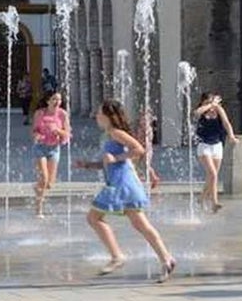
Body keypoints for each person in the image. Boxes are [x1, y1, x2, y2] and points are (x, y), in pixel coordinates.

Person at [75, 99, 177, 281]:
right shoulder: (108, 134)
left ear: (108, 116)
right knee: (140, 224)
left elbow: (139, 149)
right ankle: (166, 259)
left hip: (122, 183)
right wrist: (88, 165)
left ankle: (117, 256)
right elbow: (109, 162)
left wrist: (116, 157)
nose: (96, 116)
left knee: (94, 217)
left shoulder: (116, 132)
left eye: (99, 112)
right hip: (121, 182)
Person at [193, 92, 237, 213]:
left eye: (211, 102)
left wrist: (231, 136)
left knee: (212, 177)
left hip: (217, 146)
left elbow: (226, 123)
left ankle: (201, 199)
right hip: (204, 146)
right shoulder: (201, 111)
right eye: (206, 102)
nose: (211, 105)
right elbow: (196, 113)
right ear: (202, 102)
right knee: (212, 174)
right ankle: (214, 202)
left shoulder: (219, 110)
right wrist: (211, 104)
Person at [31, 92, 71, 218]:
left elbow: (67, 134)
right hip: (40, 148)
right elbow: (34, 130)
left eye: (59, 100)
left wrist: (58, 131)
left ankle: (37, 187)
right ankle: (39, 210)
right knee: (44, 178)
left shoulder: (62, 114)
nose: (57, 102)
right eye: (54, 99)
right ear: (48, 101)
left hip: (54, 149)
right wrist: (37, 136)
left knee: (49, 184)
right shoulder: (39, 113)